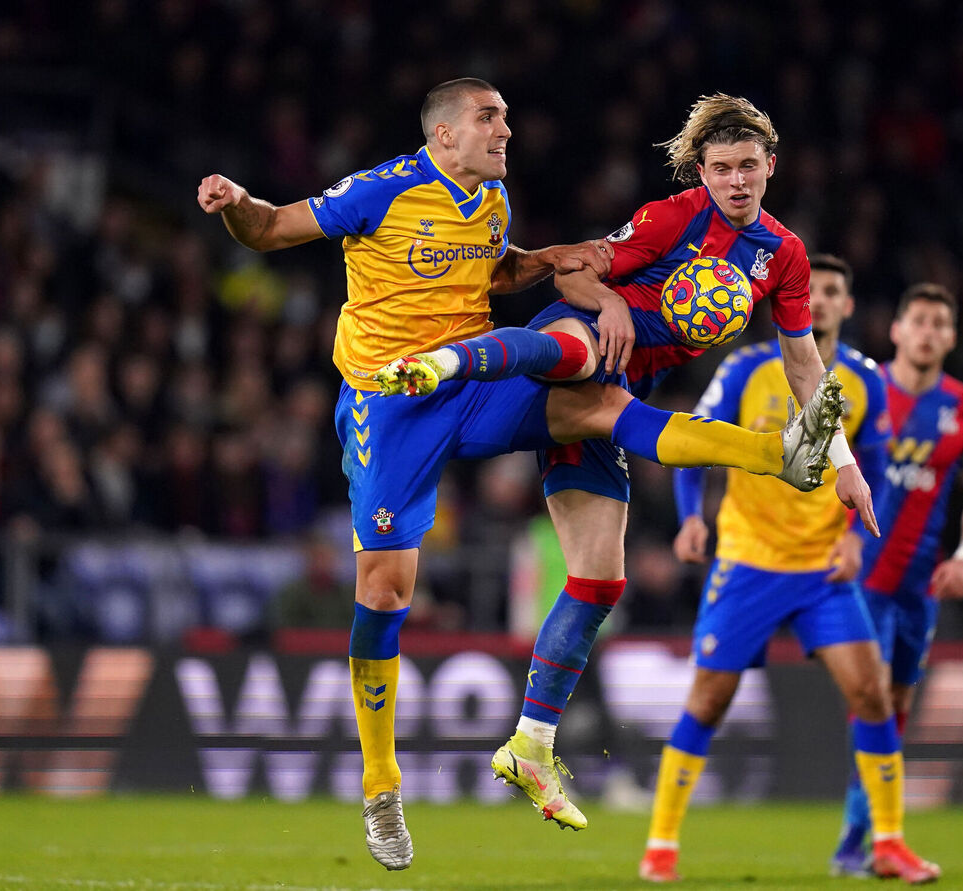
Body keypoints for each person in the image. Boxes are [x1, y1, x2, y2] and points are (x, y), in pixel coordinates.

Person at [197, 78, 844, 872]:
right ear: (444, 135)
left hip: (472, 390)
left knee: (601, 412)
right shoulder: (382, 191)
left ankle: (777, 457)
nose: (507, 128)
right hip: (388, 404)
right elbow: (268, 230)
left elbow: (497, 278)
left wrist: (546, 261)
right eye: (489, 117)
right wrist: (234, 200)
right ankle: (380, 783)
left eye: (505, 116)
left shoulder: (494, 201)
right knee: (385, 591)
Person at [375, 95, 878, 832]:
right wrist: (607, 303)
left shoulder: (786, 256)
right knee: (582, 347)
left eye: (748, 167)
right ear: (702, 172)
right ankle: (445, 362)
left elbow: (805, 365)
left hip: (613, 397)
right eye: (721, 168)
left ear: (771, 167)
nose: (735, 180)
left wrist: (844, 462)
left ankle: (530, 744)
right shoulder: (672, 217)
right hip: (579, 343)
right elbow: (574, 270)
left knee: (601, 579)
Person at [636, 255, 939, 884]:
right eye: (814, 291)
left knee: (872, 695)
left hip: (823, 570)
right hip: (748, 562)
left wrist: (858, 538)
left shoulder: (863, 380)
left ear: (848, 307)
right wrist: (692, 518)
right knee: (710, 701)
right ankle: (661, 845)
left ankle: (887, 842)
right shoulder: (746, 368)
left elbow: (875, 464)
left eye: (834, 292)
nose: (821, 301)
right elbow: (697, 442)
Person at [831, 281, 963, 881]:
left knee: (896, 704)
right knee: (872, 700)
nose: (927, 332)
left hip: (919, 586)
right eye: (917, 321)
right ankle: (865, 838)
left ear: (951, 337)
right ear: (896, 329)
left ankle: (863, 831)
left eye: (939, 324)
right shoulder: (861, 394)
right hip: (861, 579)